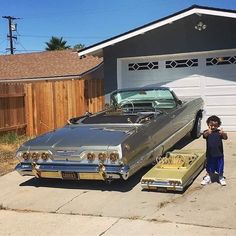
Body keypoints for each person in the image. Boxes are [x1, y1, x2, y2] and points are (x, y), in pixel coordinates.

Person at [201, 115, 228, 186]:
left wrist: (223, 133)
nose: (213, 127)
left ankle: (221, 177)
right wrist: (208, 132)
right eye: (211, 125)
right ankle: (208, 177)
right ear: (208, 125)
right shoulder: (207, 132)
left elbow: (225, 137)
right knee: (209, 166)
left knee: (220, 166)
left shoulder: (219, 132)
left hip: (219, 154)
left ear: (218, 125)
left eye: (215, 126)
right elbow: (204, 135)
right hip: (210, 154)